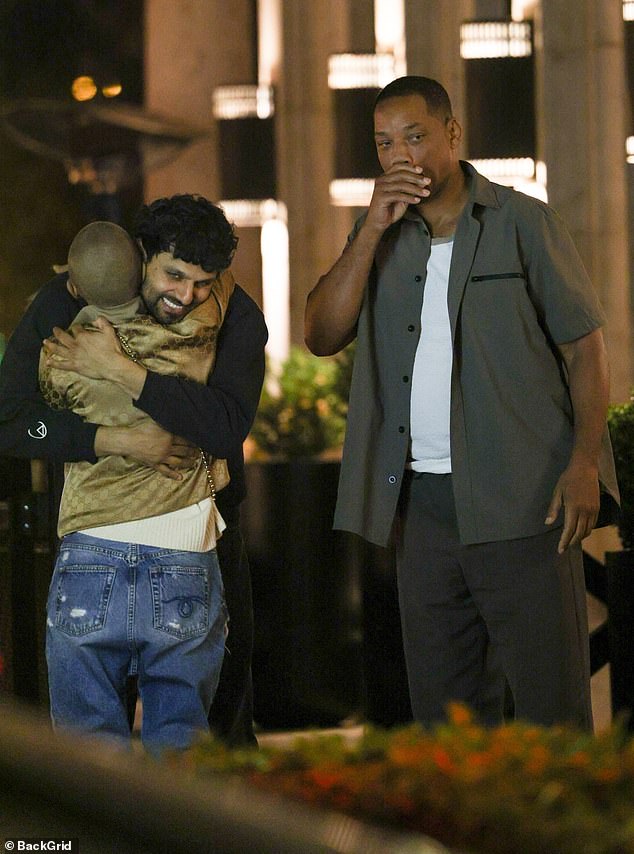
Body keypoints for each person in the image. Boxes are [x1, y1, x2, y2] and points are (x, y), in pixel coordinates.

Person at [304, 76, 620, 730]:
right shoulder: (376, 235)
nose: (400, 157)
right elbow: (321, 335)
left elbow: (585, 351)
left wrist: (584, 462)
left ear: (452, 134)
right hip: (420, 512)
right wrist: (368, 234)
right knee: (447, 722)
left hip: (526, 502)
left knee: (551, 716)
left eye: (414, 137)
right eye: (384, 144)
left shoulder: (523, 223)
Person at [0, 194, 267, 749]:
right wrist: (107, 439)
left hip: (203, 543)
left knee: (216, 735)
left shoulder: (234, 312)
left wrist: (122, 371)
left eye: (201, 282)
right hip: (93, 544)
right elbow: (13, 422)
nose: (186, 295)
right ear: (142, 254)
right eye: (173, 274)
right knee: (108, 756)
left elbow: (224, 426)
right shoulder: (68, 297)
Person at [40, 219, 232, 540]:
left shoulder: (59, 358)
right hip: (183, 529)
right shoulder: (194, 328)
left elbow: (44, 418)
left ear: (73, 288)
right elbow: (220, 277)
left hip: (92, 526)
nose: (186, 294)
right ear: (143, 268)